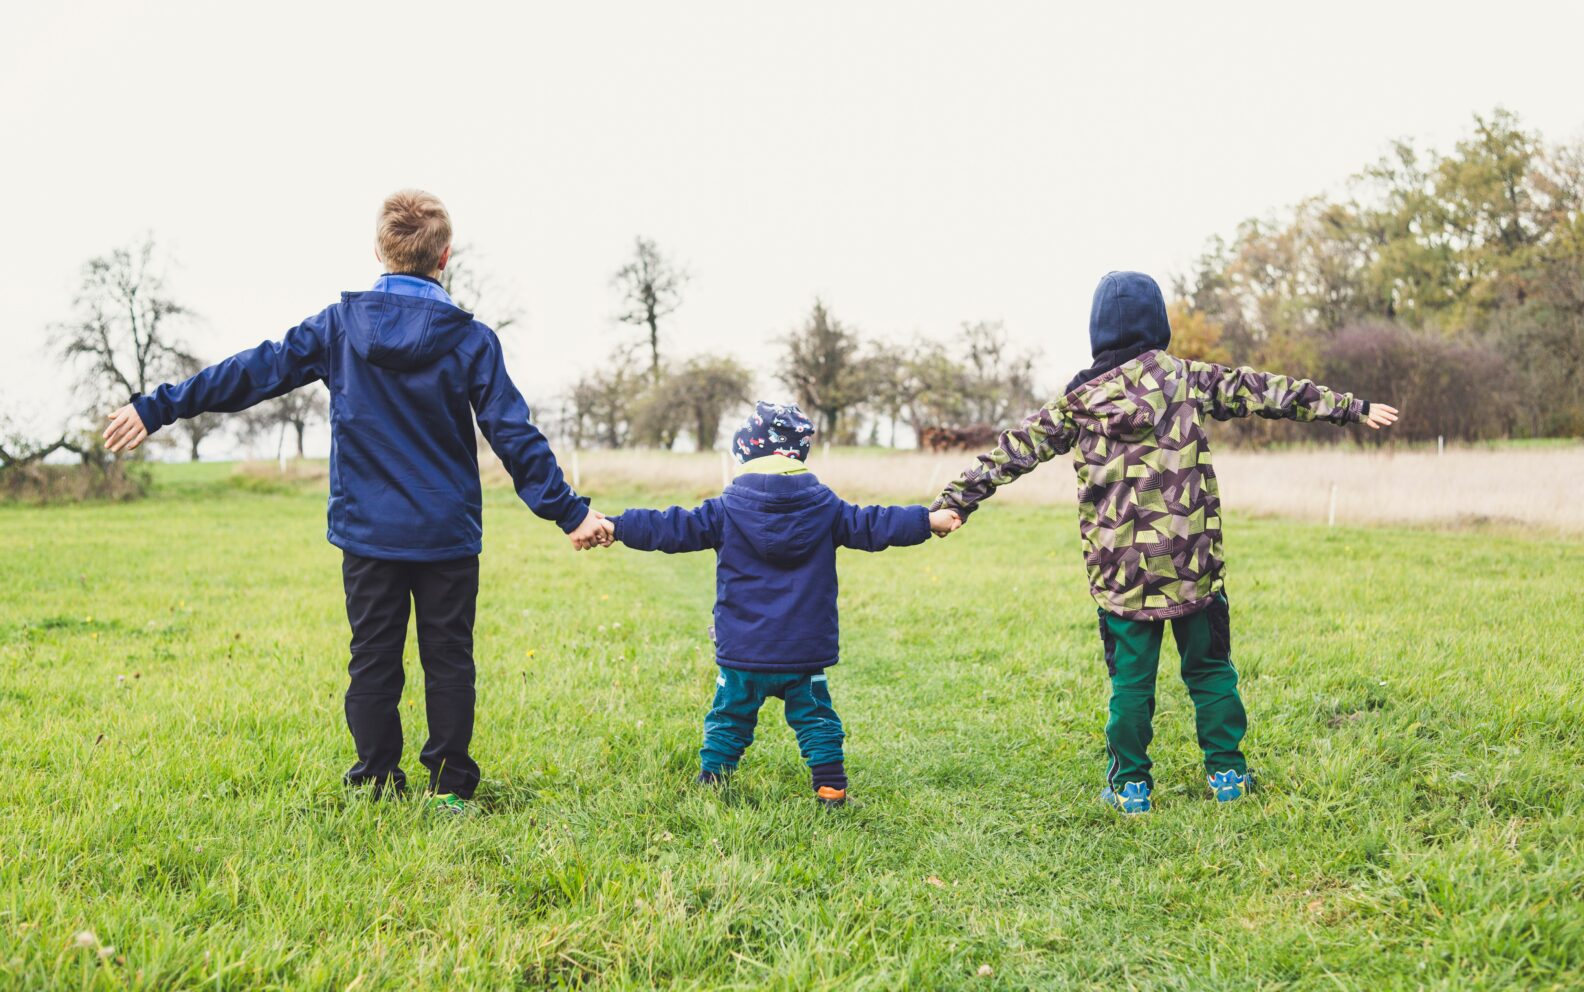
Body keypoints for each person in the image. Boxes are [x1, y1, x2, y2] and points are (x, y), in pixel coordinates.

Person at [100, 189, 612, 812]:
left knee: (372, 661)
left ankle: (374, 780)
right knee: (449, 659)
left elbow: (252, 372)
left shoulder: (340, 328)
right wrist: (570, 512)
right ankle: (450, 789)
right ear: (444, 256)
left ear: (378, 250)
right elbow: (513, 433)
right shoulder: (472, 340)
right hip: (446, 534)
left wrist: (158, 407)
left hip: (368, 533)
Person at [931, 271, 1399, 814]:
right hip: (1192, 563)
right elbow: (1265, 391)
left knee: (1130, 684)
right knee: (1210, 670)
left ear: (1098, 331)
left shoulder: (1077, 402)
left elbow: (1013, 450)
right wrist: (1351, 407)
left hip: (1123, 576)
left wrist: (956, 500)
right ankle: (1227, 774)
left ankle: (1130, 786)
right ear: (1159, 324)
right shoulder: (1185, 379)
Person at [596, 401, 960, 805]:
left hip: (743, 651)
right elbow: (875, 523)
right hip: (803, 651)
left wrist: (617, 525)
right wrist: (927, 521)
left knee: (729, 717)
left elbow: (670, 527)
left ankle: (712, 783)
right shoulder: (826, 508)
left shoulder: (725, 509)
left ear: (747, 453)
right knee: (817, 720)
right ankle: (830, 787)